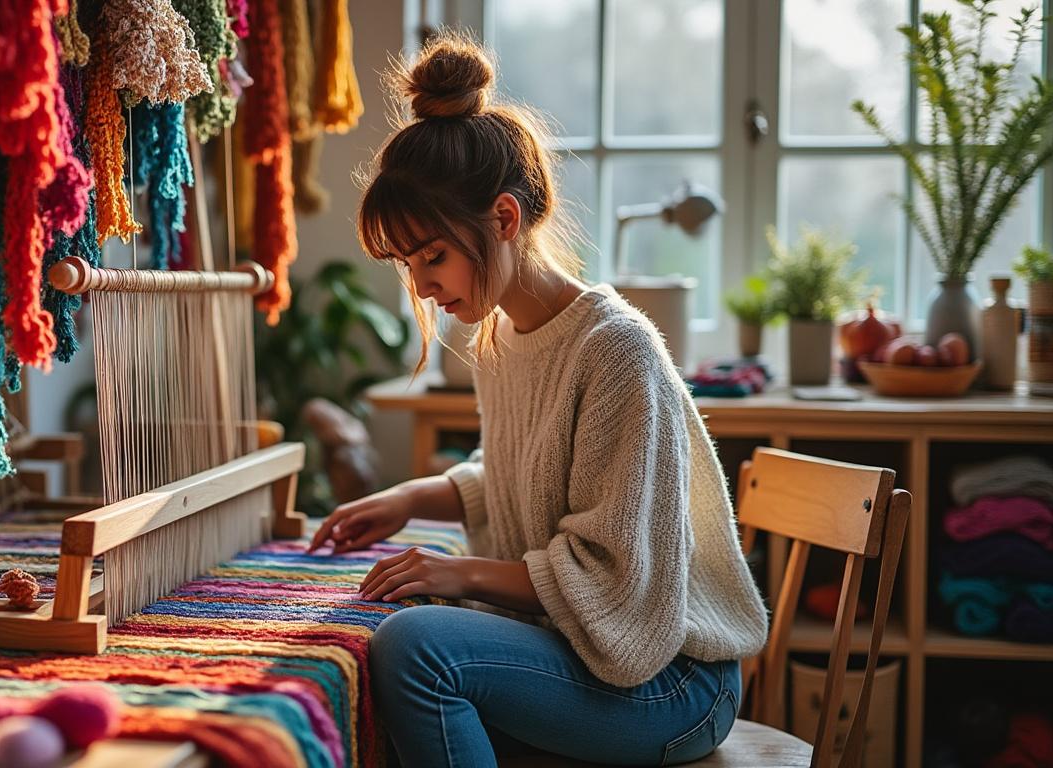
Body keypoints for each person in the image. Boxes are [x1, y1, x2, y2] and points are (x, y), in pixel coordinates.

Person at [306, 32, 769, 767]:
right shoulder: (502, 339)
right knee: (394, 626)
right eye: (407, 263)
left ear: (504, 220)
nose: (421, 286)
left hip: (673, 682)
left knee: (417, 650)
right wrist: (405, 500)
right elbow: (520, 478)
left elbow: (616, 578)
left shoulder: (618, 350)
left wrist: (456, 571)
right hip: (597, 656)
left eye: (433, 256)